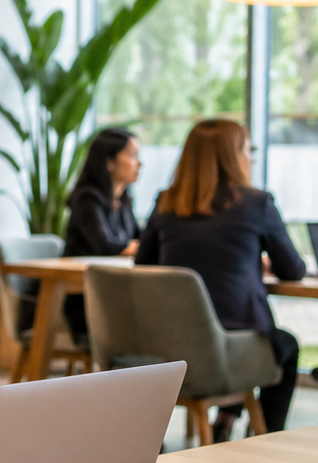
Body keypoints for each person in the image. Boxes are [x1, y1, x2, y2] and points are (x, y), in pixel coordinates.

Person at [134, 119, 305, 441]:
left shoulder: (166, 202)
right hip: (229, 343)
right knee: (285, 346)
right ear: (232, 156)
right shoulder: (257, 203)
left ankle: (226, 417)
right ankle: (267, 440)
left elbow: (143, 266)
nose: (251, 157)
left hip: (168, 344)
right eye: (246, 149)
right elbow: (293, 270)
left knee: (260, 342)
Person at [61, 128, 141, 342]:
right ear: (110, 162)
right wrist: (134, 246)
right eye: (132, 155)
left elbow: (142, 239)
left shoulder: (123, 202)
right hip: (85, 300)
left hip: (112, 293)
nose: (139, 163)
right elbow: (105, 246)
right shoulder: (87, 199)